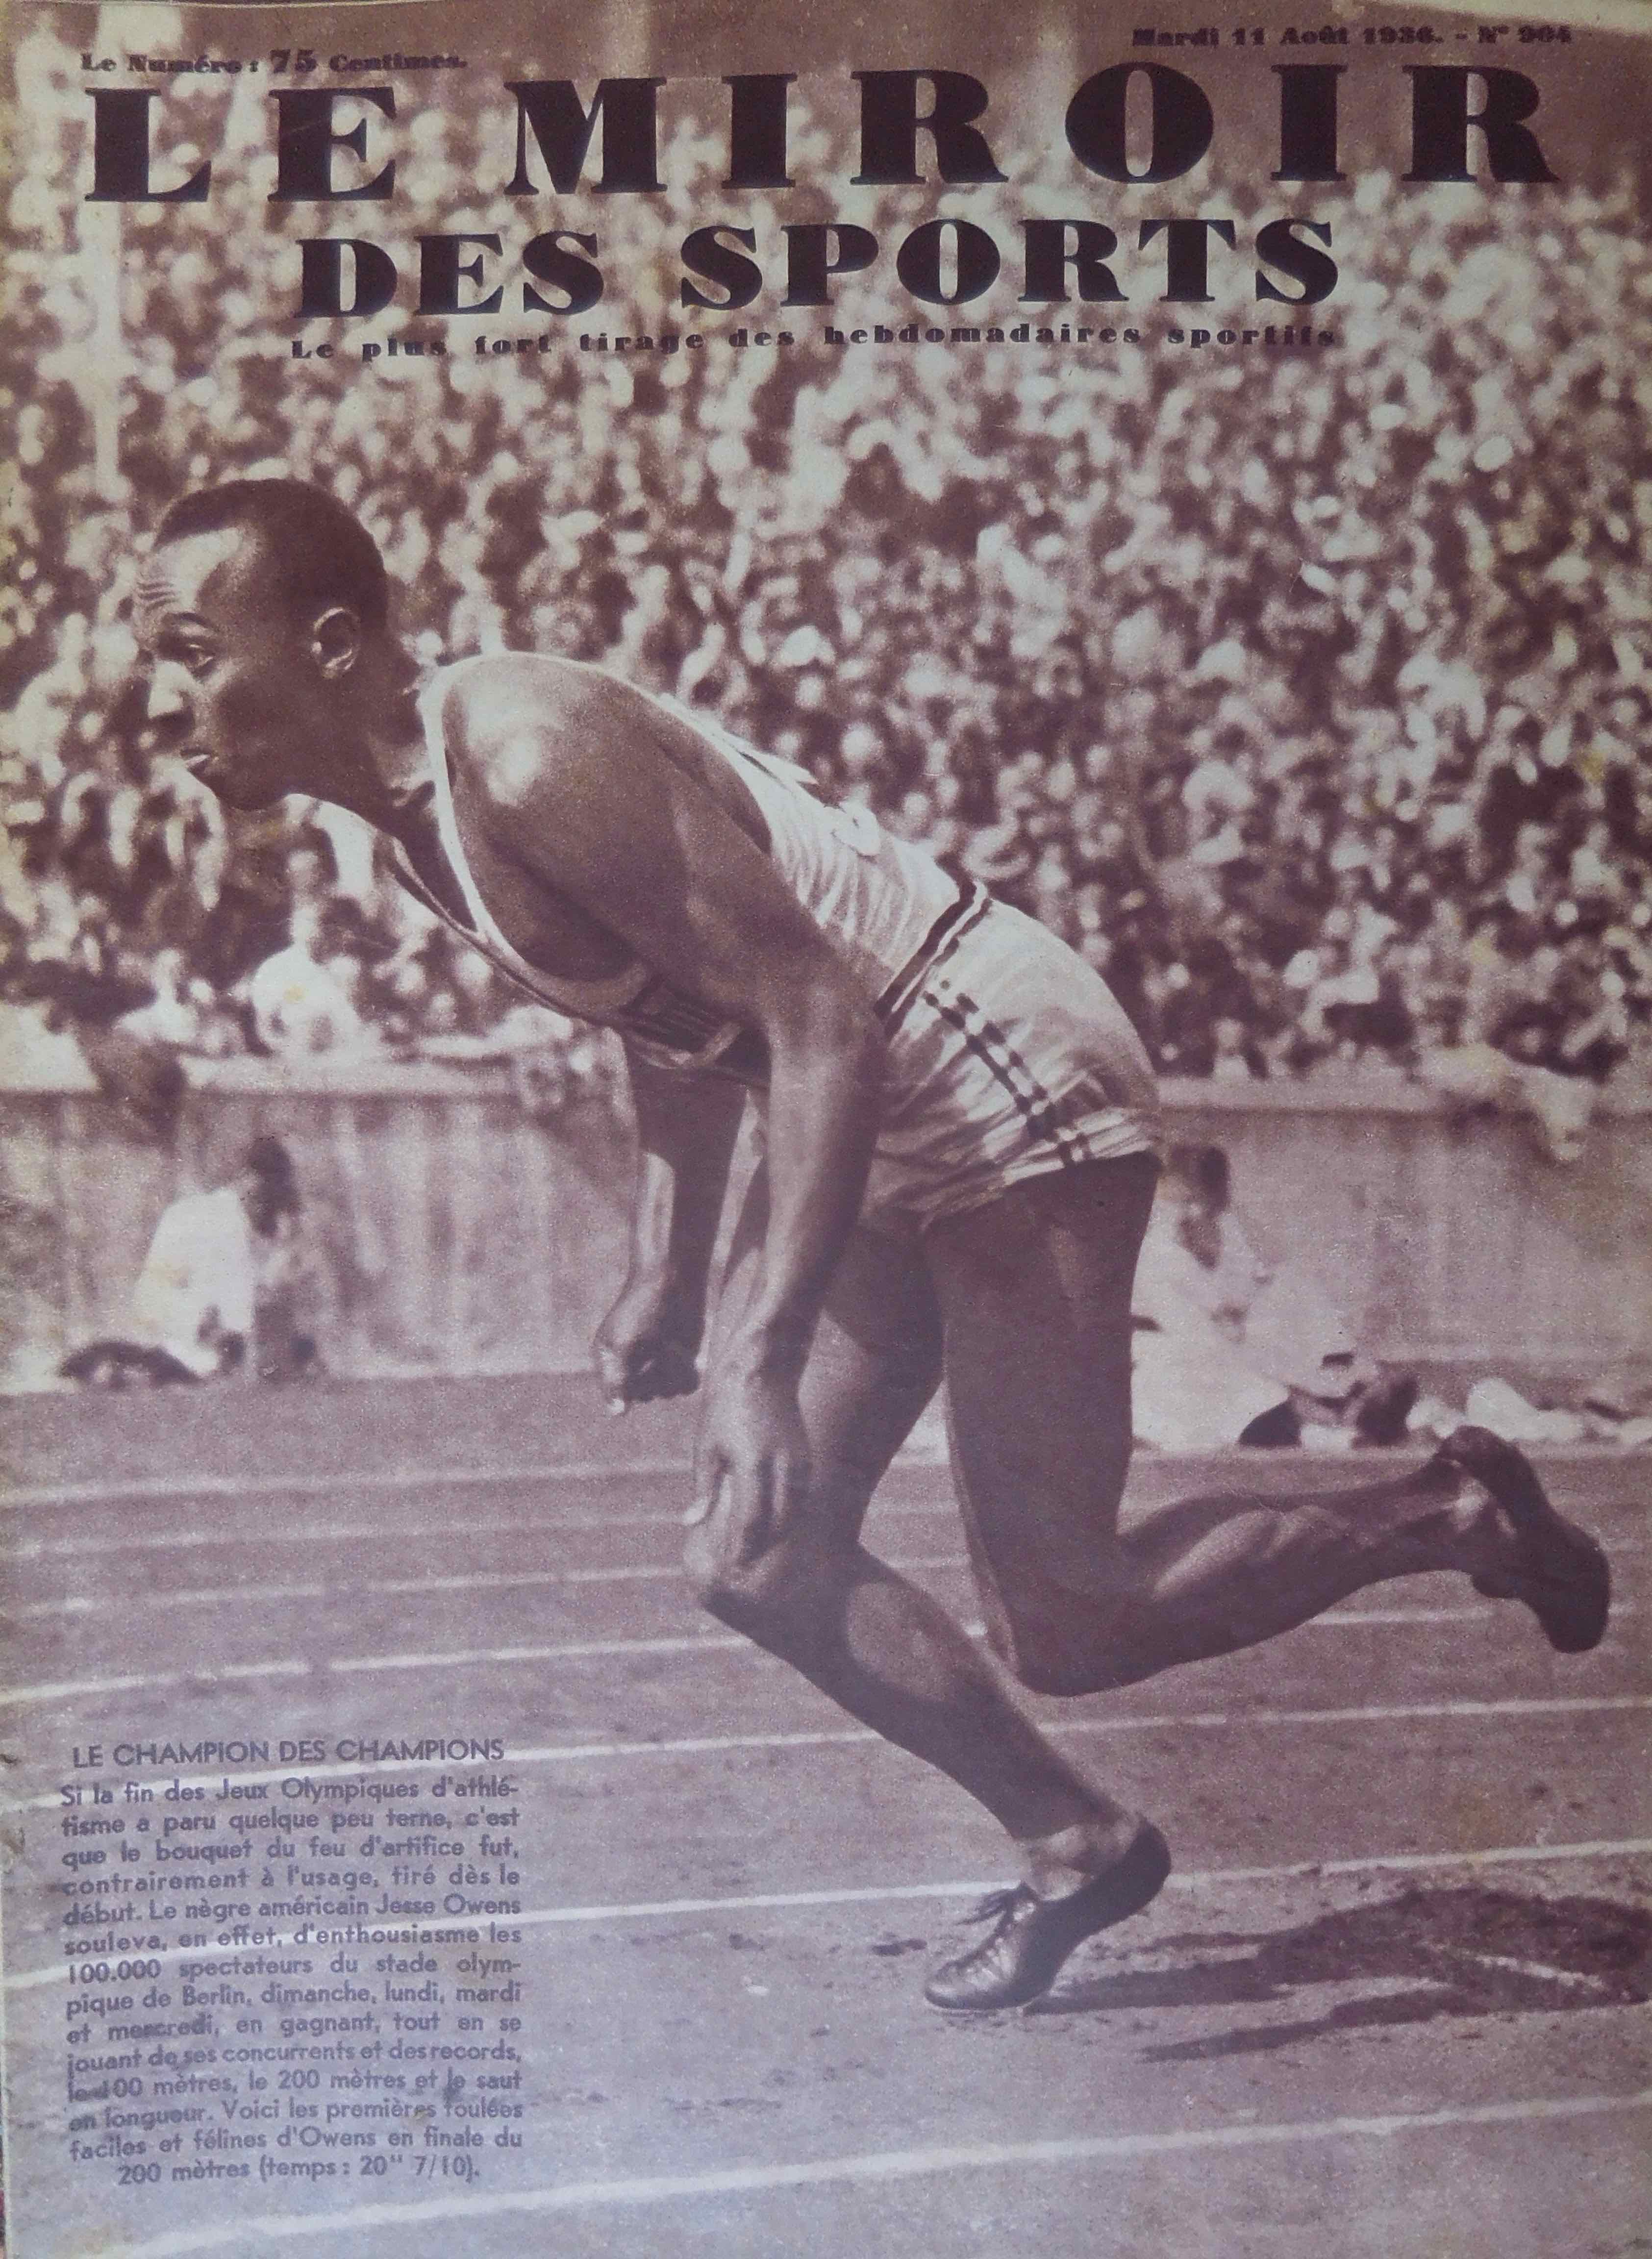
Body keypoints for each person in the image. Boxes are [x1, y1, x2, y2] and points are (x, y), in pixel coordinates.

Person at [129, 479, 1610, 2010]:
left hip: (982, 1063)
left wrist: (759, 1354)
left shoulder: (524, 752)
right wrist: (667, 1260)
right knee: (753, 1551)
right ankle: (1076, 1843)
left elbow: (819, 1019)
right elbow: (668, 1011)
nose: (161, 702)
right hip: (867, 1088)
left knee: (1067, 1616)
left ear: (328, 643)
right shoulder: (421, 836)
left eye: (190, 653)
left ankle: (1448, 1516)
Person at [60, 1134, 311, 1385]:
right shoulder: (206, 1220)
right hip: (188, 1352)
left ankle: (126, 1368)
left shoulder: (255, 1227)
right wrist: (202, 1323)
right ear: (249, 1181)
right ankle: (125, 1370)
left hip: (220, 1353)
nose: (269, 1210)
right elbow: (157, 1298)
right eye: (266, 1198)